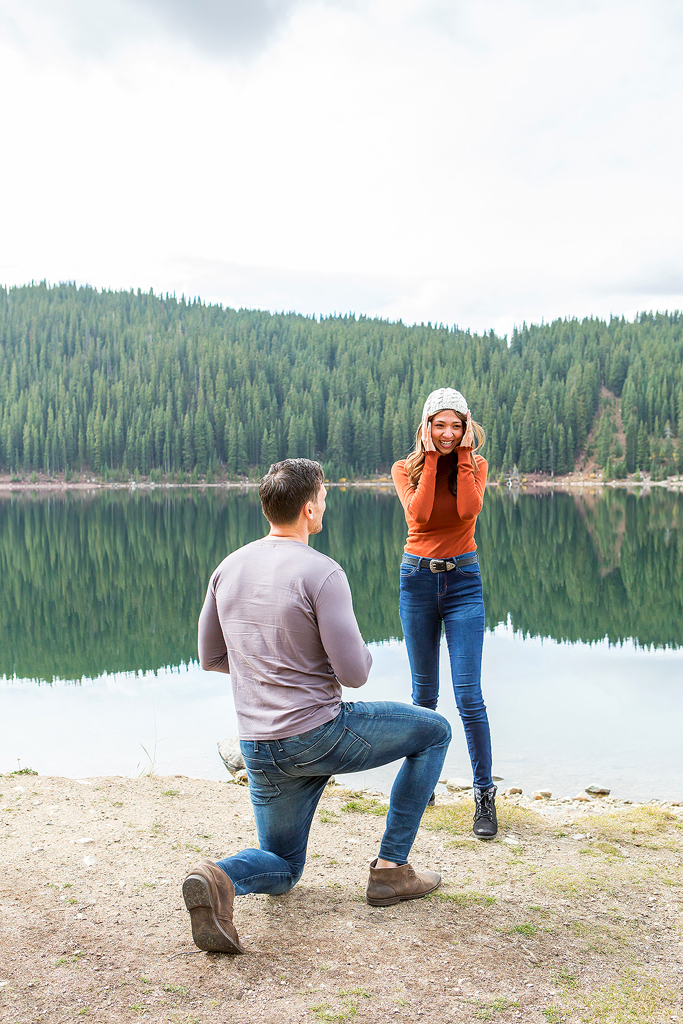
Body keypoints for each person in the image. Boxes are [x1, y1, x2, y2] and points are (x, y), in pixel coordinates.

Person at [184, 458, 451, 954]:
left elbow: (211, 657)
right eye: (324, 496)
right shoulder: (322, 572)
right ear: (309, 509)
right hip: (317, 734)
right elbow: (355, 673)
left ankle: (219, 876)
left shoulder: (228, 567)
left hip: (259, 746)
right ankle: (392, 869)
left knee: (283, 868)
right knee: (434, 731)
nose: (326, 503)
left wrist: (267, 668)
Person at [391, 387, 497, 839]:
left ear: (467, 426)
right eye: (441, 424)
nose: (449, 433)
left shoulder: (477, 465)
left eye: (457, 425)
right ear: (426, 426)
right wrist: (432, 459)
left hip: (464, 583)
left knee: (469, 696)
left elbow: (468, 509)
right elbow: (418, 517)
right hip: (417, 581)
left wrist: (464, 455)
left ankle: (484, 795)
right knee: (424, 696)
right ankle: (422, 785)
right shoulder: (404, 469)